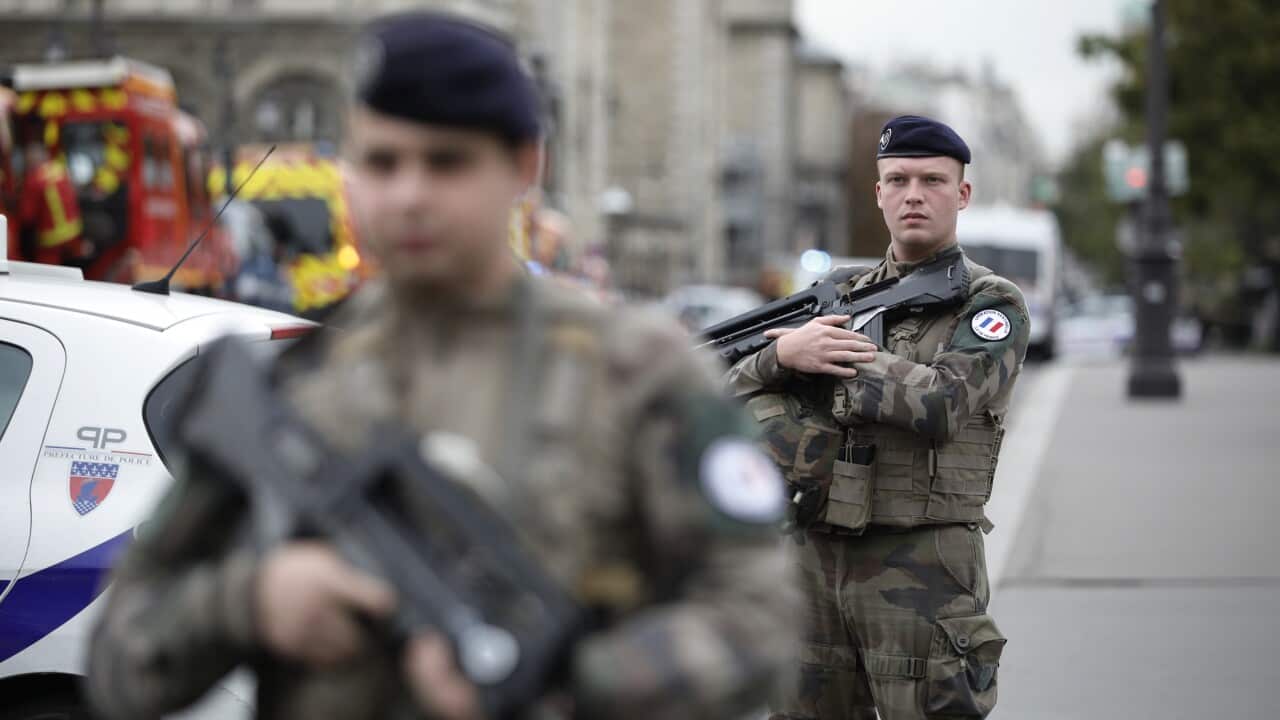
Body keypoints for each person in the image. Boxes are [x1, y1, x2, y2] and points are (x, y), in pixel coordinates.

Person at [86, 12, 797, 720]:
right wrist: (250, 602)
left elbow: (761, 626)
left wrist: (562, 683)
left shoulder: (639, 370)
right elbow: (116, 665)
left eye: (446, 161)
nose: (409, 196)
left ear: (525, 166)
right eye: (382, 162)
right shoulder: (289, 380)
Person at [726, 115, 1030, 720]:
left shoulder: (990, 302)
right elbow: (721, 393)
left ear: (962, 194)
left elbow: (944, 402)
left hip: (924, 566)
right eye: (897, 180)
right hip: (814, 557)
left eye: (932, 180)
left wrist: (839, 361)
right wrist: (783, 355)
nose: (913, 194)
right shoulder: (835, 297)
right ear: (878, 193)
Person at [16, 127, 84, 265]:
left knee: (46, 271)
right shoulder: (59, 169)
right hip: (73, 230)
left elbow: (27, 216)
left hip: (51, 237)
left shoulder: (34, 180)